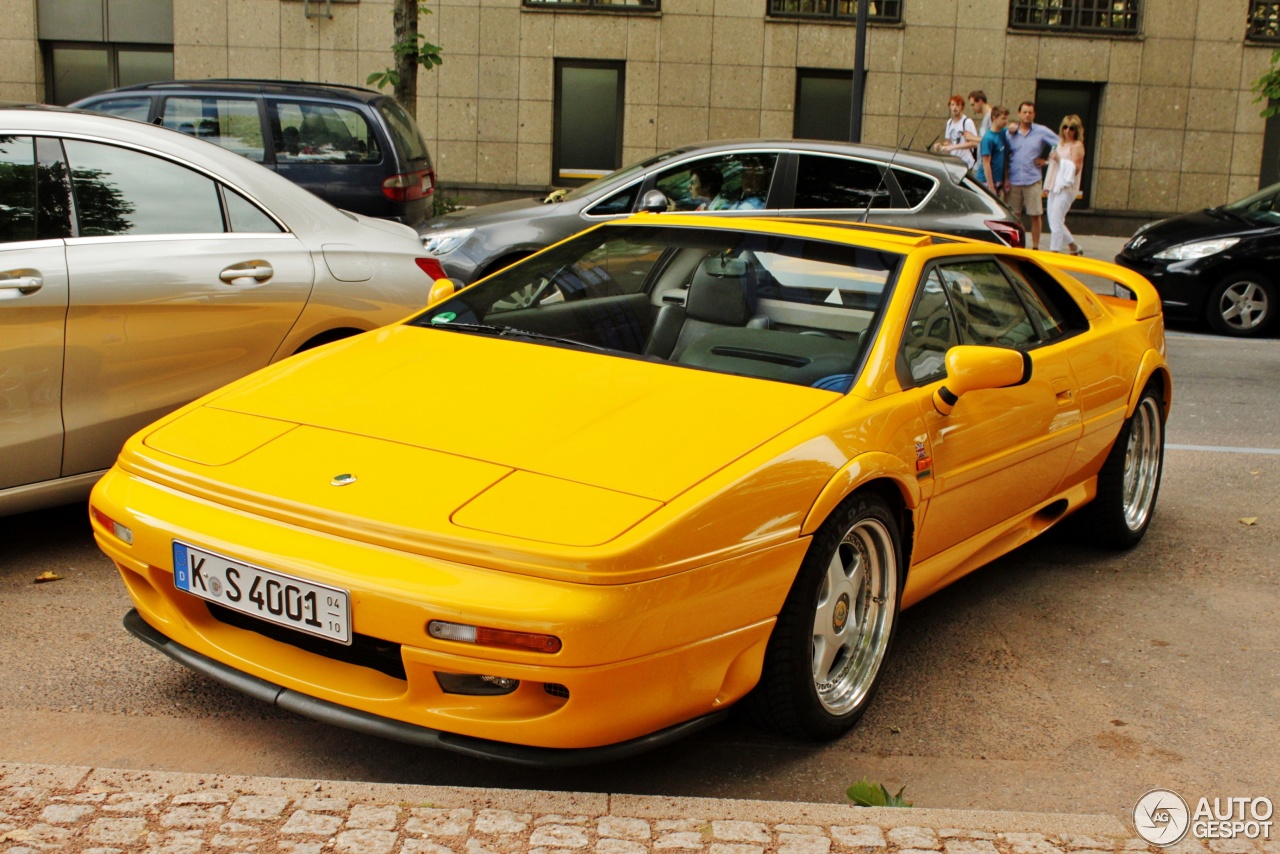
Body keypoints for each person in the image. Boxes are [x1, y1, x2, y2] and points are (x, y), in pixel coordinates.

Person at [1005, 101, 1059, 250]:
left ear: (1034, 114)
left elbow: (1059, 143)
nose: (1027, 115)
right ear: (1019, 113)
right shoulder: (1010, 133)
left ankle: (1035, 247)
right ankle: (1016, 245)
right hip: (1014, 179)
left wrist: (1047, 160)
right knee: (1014, 215)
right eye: (1024, 112)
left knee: (1035, 214)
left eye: (1030, 112)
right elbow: (1005, 154)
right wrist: (1006, 178)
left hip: (1032, 179)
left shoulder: (1041, 131)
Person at [1045, 114, 1086, 255]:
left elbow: (1076, 168)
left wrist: (1059, 159)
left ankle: (1054, 252)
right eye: (1065, 127)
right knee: (1053, 219)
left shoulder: (1077, 145)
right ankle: (1073, 246)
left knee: (1056, 220)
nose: (1068, 131)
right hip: (1054, 185)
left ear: (1077, 130)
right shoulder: (1060, 144)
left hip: (1067, 187)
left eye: (1072, 128)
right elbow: (1053, 165)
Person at [974, 106, 1010, 198]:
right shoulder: (988, 138)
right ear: (994, 118)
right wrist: (991, 187)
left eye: (1007, 119)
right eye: (1003, 118)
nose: (1006, 121)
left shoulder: (1003, 132)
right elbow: (986, 163)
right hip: (986, 181)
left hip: (998, 180)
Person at [932, 95, 977, 169]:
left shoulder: (967, 122)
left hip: (966, 162)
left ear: (962, 107)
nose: (954, 107)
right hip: (954, 162)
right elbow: (949, 142)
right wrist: (940, 145)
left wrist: (953, 147)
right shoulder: (949, 122)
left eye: (957, 105)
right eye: (952, 105)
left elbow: (974, 143)